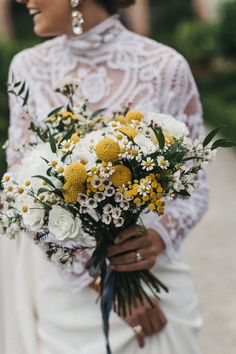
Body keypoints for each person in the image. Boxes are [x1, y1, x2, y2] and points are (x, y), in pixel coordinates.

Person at [0, 1, 209, 353]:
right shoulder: (27, 69)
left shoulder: (165, 66)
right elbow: (18, 194)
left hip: (154, 282)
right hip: (67, 298)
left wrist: (158, 236)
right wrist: (100, 281)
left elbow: (197, 184)